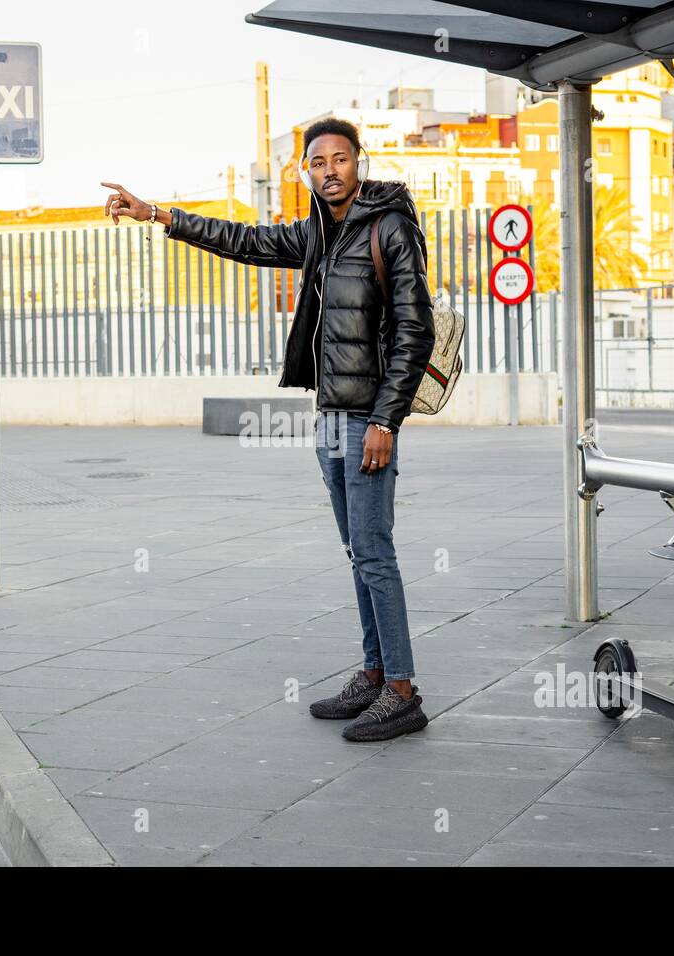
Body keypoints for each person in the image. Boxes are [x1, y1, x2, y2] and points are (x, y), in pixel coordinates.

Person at [100, 117, 435, 742]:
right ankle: (373, 672)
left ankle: (403, 689)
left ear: (358, 162)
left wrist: (386, 420)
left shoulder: (391, 228)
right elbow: (244, 239)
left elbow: (414, 330)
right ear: (306, 170)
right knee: (356, 551)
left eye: (339, 159)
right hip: (330, 414)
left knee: (376, 552)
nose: (329, 170)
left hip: (369, 418)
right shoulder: (317, 234)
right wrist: (157, 214)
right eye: (317, 162)